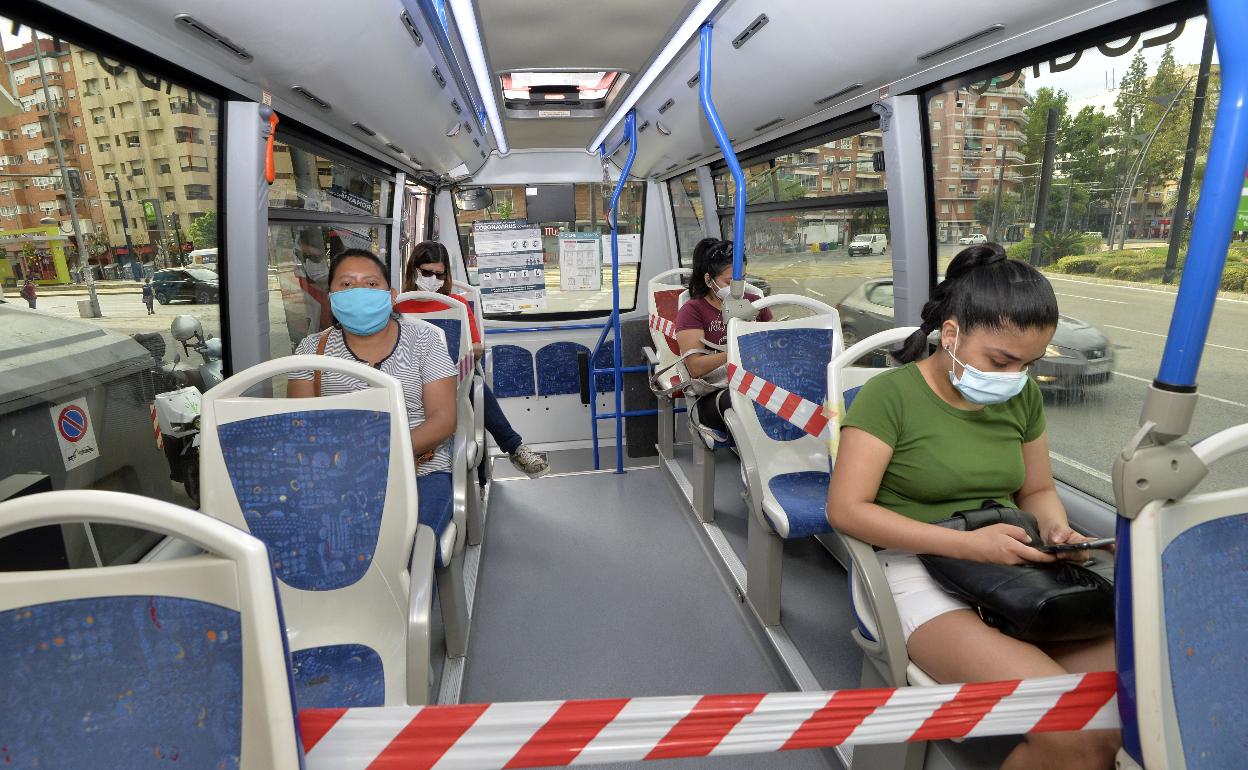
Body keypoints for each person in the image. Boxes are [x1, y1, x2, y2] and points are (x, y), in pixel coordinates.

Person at [826, 244, 1119, 770]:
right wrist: (965, 545)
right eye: (1001, 361)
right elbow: (847, 510)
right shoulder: (889, 398)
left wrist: (1055, 531)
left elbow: (1035, 491)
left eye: (1028, 364)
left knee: (1121, 712)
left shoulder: (1021, 398)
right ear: (954, 334)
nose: (1014, 378)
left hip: (1007, 553)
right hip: (909, 566)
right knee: (1077, 735)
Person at [287, 248, 458, 547]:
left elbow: (443, 420)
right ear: (332, 297)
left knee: (405, 547)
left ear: (391, 295)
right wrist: (345, 464)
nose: (359, 292)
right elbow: (300, 425)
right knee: (320, 543)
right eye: (347, 284)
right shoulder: (311, 350)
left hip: (418, 468)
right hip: (336, 475)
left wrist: (379, 455)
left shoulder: (425, 339)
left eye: (370, 283)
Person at [396, 241, 550, 479]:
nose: (432, 279)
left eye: (439, 274)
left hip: (449, 376)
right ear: (413, 270)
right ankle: (513, 446)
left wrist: (460, 357)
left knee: (473, 377)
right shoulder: (397, 307)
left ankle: (514, 447)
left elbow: (475, 347)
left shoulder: (457, 305)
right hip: (408, 376)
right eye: (426, 273)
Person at [673, 238, 771, 445]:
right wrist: (738, 352)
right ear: (709, 281)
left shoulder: (754, 304)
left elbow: (776, 341)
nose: (738, 287)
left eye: (742, 279)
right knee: (754, 402)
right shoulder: (692, 311)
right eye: (729, 282)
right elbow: (696, 367)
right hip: (715, 392)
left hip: (756, 383)